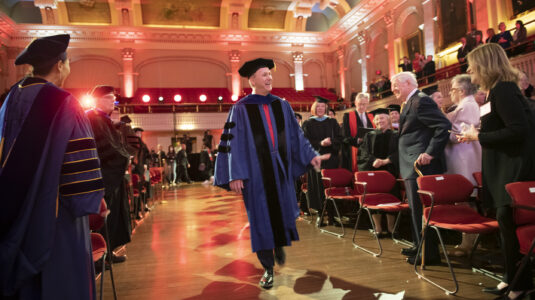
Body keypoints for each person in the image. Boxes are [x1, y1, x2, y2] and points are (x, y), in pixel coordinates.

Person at [0, 34, 104, 299]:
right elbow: (79, 173)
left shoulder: (10, 99)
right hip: (56, 216)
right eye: (68, 63)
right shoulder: (65, 103)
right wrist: (91, 203)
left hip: (9, 211)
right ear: (60, 65)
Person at [214, 58, 326, 289]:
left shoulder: (282, 105)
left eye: (270, 74)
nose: (269, 78)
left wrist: (309, 154)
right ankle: (267, 268)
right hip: (255, 172)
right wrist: (235, 174)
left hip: (279, 169)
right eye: (264, 74)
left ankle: (279, 243)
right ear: (252, 79)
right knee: (261, 219)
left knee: (283, 213)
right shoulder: (241, 108)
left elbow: (296, 135)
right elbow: (232, 143)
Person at [459, 43, 535, 299]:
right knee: (505, 224)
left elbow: (518, 130)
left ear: (485, 64)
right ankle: (512, 280)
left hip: (513, 169)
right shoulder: (496, 92)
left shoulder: (503, 89)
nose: (469, 70)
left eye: (472, 64)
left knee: (509, 222)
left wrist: (478, 135)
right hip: (503, 167)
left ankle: (518, 283)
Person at [391, 71, 451, 265]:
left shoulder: (421, 101)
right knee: (416, 209)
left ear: (408, 82)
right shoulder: (410, 102)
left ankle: (429, 254)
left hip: (421, 165)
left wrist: (431, 152)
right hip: (411, 164)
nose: (393, 90)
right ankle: (419, 246)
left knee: (422, 210)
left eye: (395, 85)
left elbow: (443, 125)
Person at [86, 86, 131, 258]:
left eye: (114, 98)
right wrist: (125, 158)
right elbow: (106, 148)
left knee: (112, 216)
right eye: (108, 97)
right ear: (97, 100)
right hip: (104, 176)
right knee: (106, 216)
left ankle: (108, 251)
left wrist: (122, 156)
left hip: (111, 174)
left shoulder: (103, 120)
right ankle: (101, 256)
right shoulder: (94, 119)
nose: (113, 100)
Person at [444, 75, 482, 257]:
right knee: (465, 200)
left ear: (461, 91)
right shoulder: (466, 105)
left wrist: (442, 124)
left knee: (465, 200)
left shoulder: (467, 106)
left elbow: (458, 135)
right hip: (463, 158)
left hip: (464, 159)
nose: (450, 92)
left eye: (452, 89)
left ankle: (468, 244)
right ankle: (467, 242)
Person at [357, 108, 400, 236]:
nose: (379, 121)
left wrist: (386, 161)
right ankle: (378, 228)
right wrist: (374, 160)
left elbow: (399, 152)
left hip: (390, 170)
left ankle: (391, 228)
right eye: (376, 119)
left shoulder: (395, 135)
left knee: (391, 197)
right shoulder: (369, 135)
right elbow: (363, 153)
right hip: (373, 170)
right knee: (375, 197)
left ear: (388, 120)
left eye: (382, 118)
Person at [302, 96, 342, 213]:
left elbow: (340, 138)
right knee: (318, 185)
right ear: (314, 108)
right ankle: (320, 211)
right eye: (318, 106)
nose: (320, 108)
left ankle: (332, 213)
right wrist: (320, 143)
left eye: (322, 106)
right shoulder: (308, 123)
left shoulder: (332, 121)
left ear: (326, 108)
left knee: (330, 185)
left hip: (331, 158)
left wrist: (331, 142)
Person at [341, 92, 373, 172]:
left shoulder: (371, 116)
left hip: (369, 151)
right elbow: (344, 137)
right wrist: (357, 140)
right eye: (359, 104)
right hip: (354, 150)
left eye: (364, 104)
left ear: (368, 104)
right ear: (355, 103)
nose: (361, 107)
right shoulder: (348, 116)